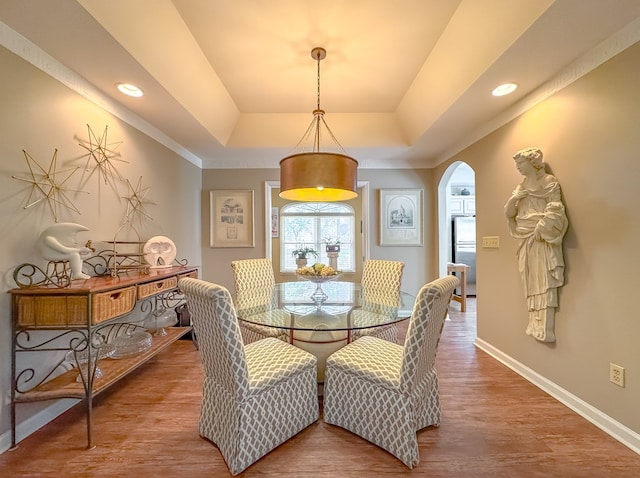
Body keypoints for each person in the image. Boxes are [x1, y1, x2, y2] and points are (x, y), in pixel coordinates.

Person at [504, 147, 568, 342]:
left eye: (520, 164)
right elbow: (509, 213)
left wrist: (542, 227)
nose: (518, 168)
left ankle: (543, 324)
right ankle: (534, 320)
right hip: (525, 236)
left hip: (541, 236)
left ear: (532, 163)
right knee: (529, 278)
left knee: (543, 278)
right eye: (516, 165)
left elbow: (555, 209)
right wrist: (514, 198)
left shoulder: (548, 182)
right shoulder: (521, 186)